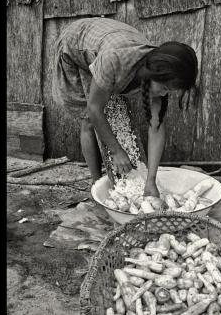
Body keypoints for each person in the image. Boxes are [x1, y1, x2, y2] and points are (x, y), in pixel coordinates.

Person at [53, 17, 199, 198]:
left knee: (106, 101)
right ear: (151, 75)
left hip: (106, 44)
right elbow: (94, 109)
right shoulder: (114, 60)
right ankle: (96, 184)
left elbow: (157, 127)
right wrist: (116, 151)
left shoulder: (160, 69)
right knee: (89, 119)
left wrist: (150, 179)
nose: (164, 94)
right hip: (74, 46)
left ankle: (104, 181)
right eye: (164, 88)